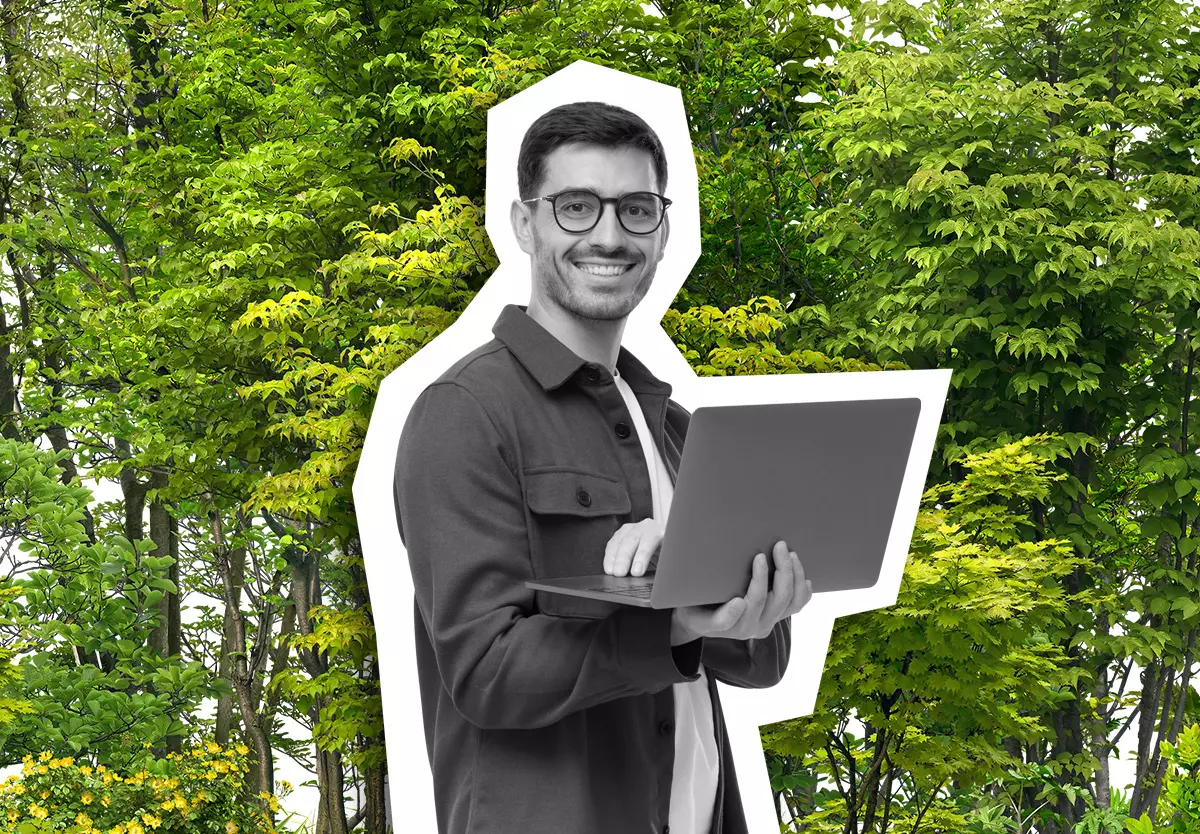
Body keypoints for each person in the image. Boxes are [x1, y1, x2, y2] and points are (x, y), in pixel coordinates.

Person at [393, 100, 812, 834]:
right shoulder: (464, 412)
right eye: (577, 208)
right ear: (526, 225)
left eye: (636, 209)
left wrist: (750, 602)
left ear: (663, 229)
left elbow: (758, 662)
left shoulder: (677, 429)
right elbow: (485, 673)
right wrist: (670, 622)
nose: (610, 236)